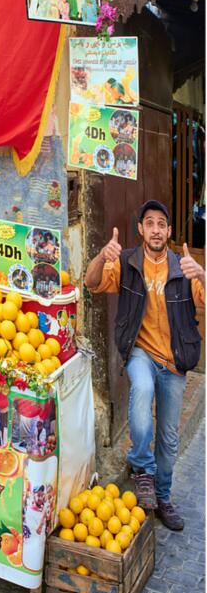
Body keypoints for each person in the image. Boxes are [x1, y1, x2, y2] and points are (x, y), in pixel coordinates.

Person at [84, 200, 205, 530]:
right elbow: (91, 282)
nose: (155, 229)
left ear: (168, 231)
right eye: (149, 223)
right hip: (141, 352)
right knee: (142, 387)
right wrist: (101, 256)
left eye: (161, 224)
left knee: (168, 437)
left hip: (176, 361)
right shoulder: (127, 262)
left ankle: (163, 498)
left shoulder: (183, 268)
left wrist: (204, 278)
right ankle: (142, 469)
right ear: (140, 229)